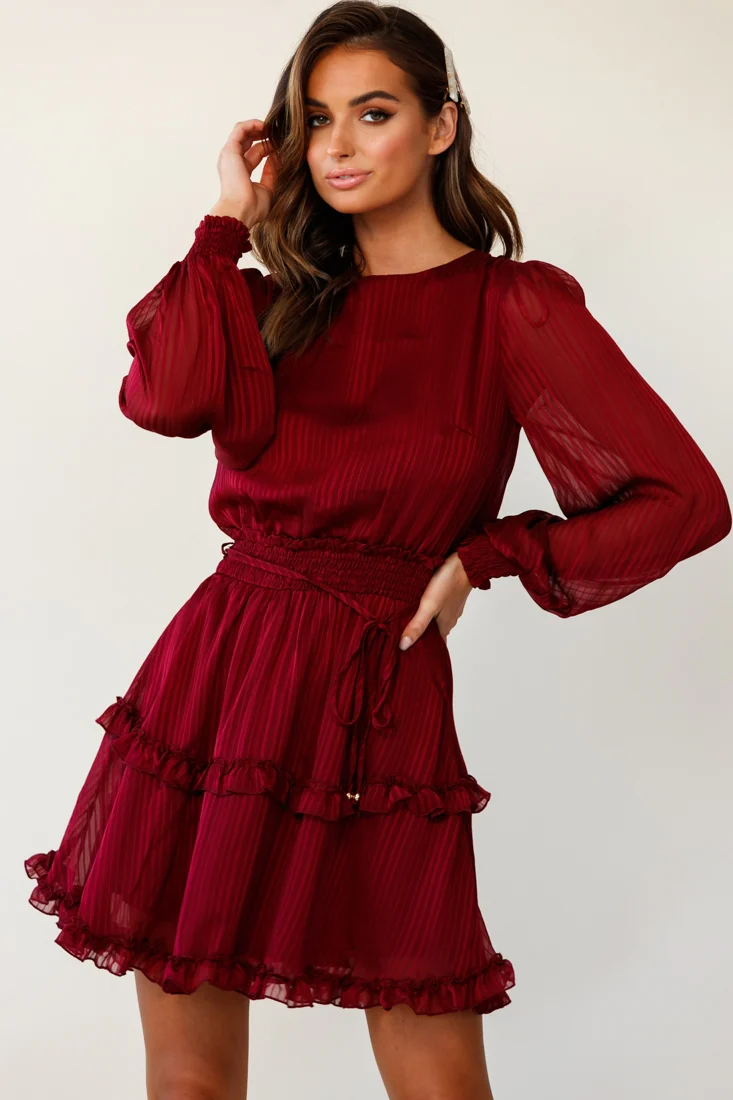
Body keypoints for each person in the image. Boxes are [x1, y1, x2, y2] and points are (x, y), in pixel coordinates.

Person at [24, 3, 731, 1098]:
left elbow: (683, 499)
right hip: (219, 680)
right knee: (190, 1082)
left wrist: (485, 557)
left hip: (378, 698)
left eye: (372, 113)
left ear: (440, 126)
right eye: (316, 120)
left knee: (438, 1077)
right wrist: (225, 220)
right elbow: (164, 400)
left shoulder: (510, 308)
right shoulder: (269, 305)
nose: (339, 146)